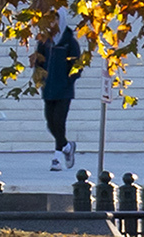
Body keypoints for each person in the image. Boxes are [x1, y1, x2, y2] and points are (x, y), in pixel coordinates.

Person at [35, 13, 87, 172]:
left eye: (55, 19)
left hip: (63, 90)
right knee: (50, 123)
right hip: (49, 89)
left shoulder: (69, 42)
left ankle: (57, 158)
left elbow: (77, 65)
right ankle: (66, 146)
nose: (52, 22)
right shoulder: (45, 42)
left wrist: (68, 81)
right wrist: (40, 81)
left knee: (59, 121)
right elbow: (39, 62)